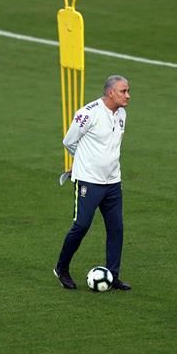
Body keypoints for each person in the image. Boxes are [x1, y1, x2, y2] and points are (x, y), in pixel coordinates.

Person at [54, 75, 132, 291]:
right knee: (81, 226)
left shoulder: (122, 114)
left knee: (116, 228)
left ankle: (113, 276)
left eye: (128, 91)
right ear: (110, 93)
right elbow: (69, 141)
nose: (128, 95)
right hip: (89, 181)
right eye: (123, 91)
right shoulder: (88, 114)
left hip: (113, 182)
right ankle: (61, 268)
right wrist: (83, 162)